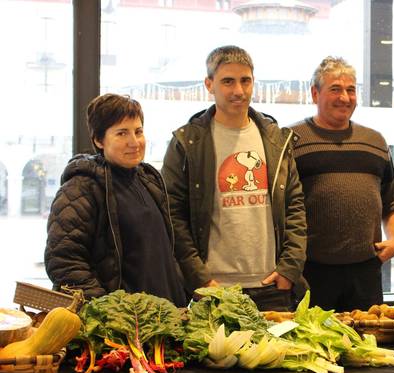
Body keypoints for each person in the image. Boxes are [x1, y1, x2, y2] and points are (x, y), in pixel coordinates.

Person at [161, 45, 307, 311]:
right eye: (227, 81)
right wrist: (200, 277)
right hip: (214, 290)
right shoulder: (187, 142)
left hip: (272, 286)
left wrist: (289, 268)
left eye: (245, 81)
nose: (238, 91)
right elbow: (173, 216)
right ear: (209, 84)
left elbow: (295, 206)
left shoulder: (276, 139)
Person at [45, 94, 188, 307]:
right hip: (123, 327)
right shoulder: (81, 188)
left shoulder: (149, 180)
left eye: (138, 131)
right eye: (122, 133)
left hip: (164, 319)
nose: (134, 142)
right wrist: (108, 313)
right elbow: (64, 261)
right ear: (99, 140)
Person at [289, 56, 394, 311]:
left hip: (366, 272)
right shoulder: (292, 141)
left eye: (350, 90)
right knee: (314, 346)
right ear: (314, 93)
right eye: (335, 89)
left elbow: (393, 201)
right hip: (311, 272)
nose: (344, 97)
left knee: (368, 346)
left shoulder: (375, 141)